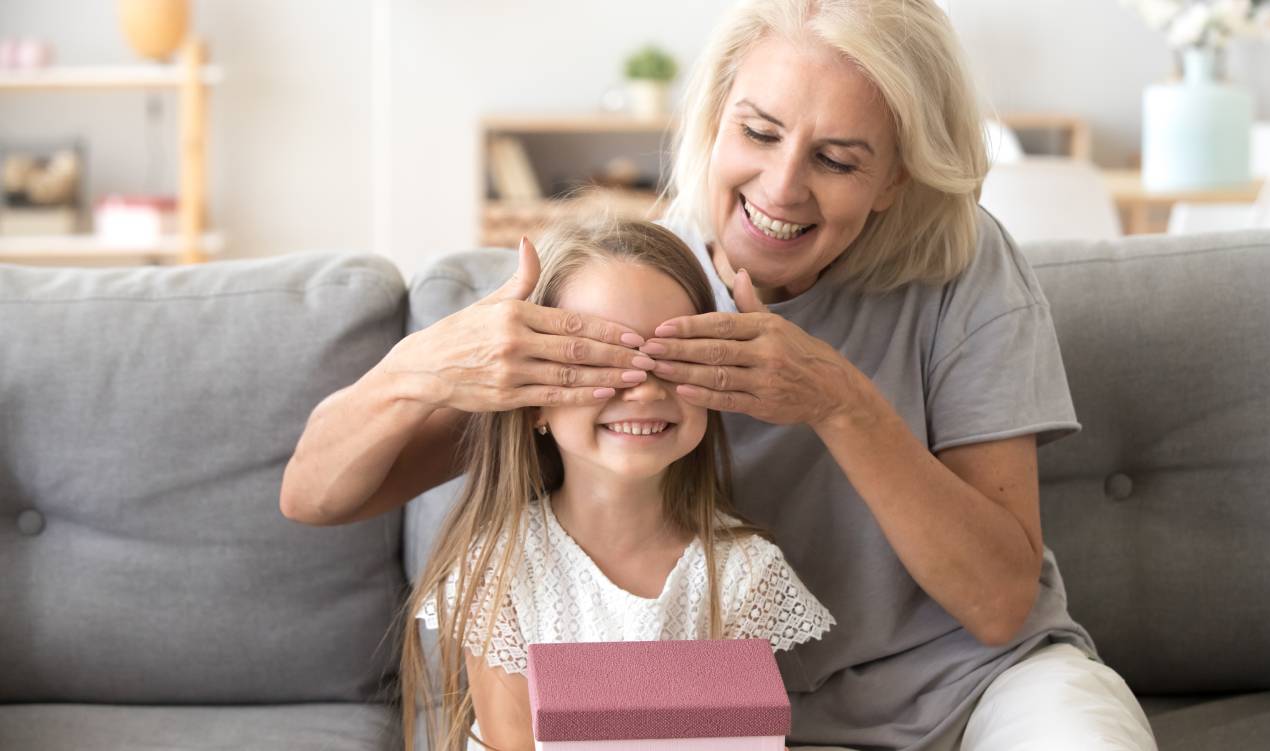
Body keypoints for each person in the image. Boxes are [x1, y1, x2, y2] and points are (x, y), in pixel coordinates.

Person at [281, 0, 1158, 748]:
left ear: (895, 177)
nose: (781, 186)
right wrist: (422, 366)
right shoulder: (637, 278)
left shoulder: (966, 267)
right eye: (759, 131)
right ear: (715, 118)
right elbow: (315, 494)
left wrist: (838, 399)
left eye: (838, 158)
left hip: (979, 684)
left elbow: (1002, 602)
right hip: (718, 707)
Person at [400, 219, 834, 751]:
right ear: (535, 397)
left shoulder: (743, 572)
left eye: (672, 360)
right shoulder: (499, 568)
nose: (644, 391)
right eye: (601, 362)